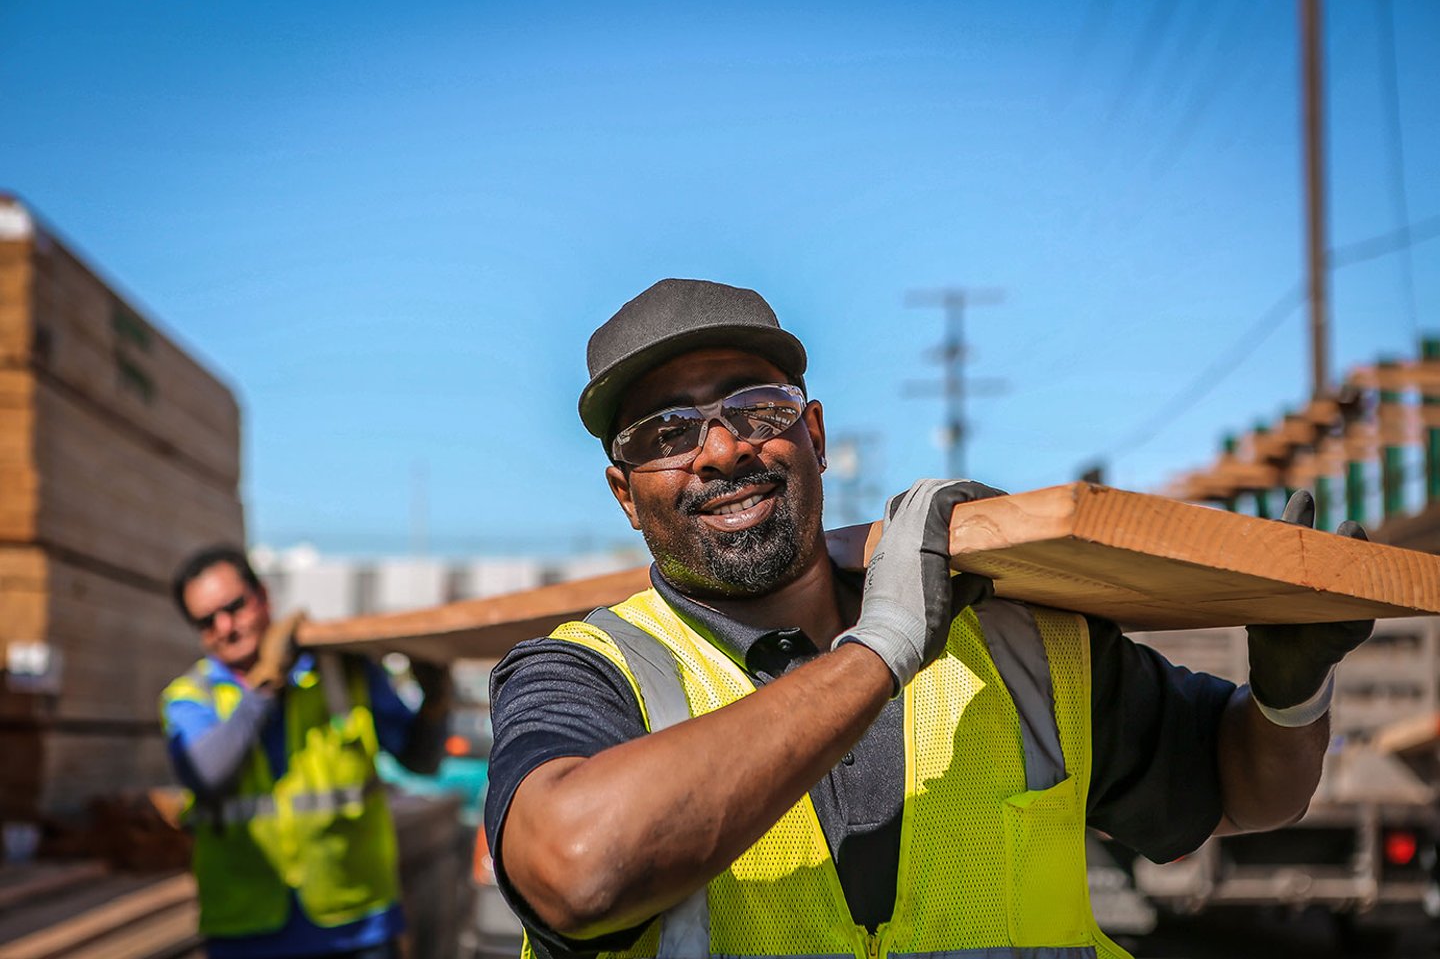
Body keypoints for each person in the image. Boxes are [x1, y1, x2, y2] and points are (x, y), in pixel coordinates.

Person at [484, 278, 1375, 959]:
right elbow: (578, 871)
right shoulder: (589, 675)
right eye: (666, 434)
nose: (721, 450)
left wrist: (1292, 698)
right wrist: (882, 648)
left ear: (816, 437)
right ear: (625, 496)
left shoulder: (1019, 643)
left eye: (755, 409)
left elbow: (1247, 793)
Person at [160, 545, 452, 959]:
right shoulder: (191, 698)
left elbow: (420, 761)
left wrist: (436, 703)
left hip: (358, 924)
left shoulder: (341, 671)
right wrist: (266, 684)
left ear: (263, 596)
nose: (226, 627)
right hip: (247, 932)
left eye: (235, 607)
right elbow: (206, 775)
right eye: (207, 621)